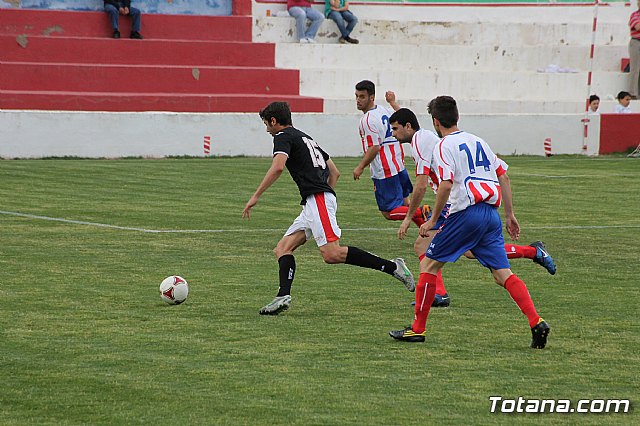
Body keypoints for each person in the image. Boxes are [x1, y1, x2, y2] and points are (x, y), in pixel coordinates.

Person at [389, 96, 551, 349]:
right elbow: (504, 177)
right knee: (502, 274)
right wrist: (510, 215)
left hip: (466, 213)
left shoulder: (444, 146)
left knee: (429, 265)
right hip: (490, 214)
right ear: (457, 116)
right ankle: (536, 321)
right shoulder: (478, 141)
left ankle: (417, 329)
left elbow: (445, 184)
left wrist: (432, 220)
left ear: (435, 121)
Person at [243, 101, 416, 315]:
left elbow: (278, 166)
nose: (267, 130)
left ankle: (394, 267)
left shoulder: (282, 136)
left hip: (317, 200)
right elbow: (334, 172)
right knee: (282, 249)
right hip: (314, 201)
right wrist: (325, 198)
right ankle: (282, 297)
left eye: (267, 124)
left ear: (274, 121)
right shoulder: (305, 137)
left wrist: (256, 196)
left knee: (332, 254)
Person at [354, 81, 427, 231]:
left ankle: (422, 212)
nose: (358, 100)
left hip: (384, 170)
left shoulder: (367, 120)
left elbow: (374, 147)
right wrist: (393, 103)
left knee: (388, 212)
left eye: (362, 96)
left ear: (372, 97)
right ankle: (428, 230)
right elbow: (404, 117)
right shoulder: (384, 110)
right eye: (356, 96)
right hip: (398, 165)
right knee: (406, 204)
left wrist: (360, 167)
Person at [628, 0, 640, 99]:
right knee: (635, 68)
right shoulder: (635, 15)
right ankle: (633, 93)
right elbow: (638, 26)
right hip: (636, 42)